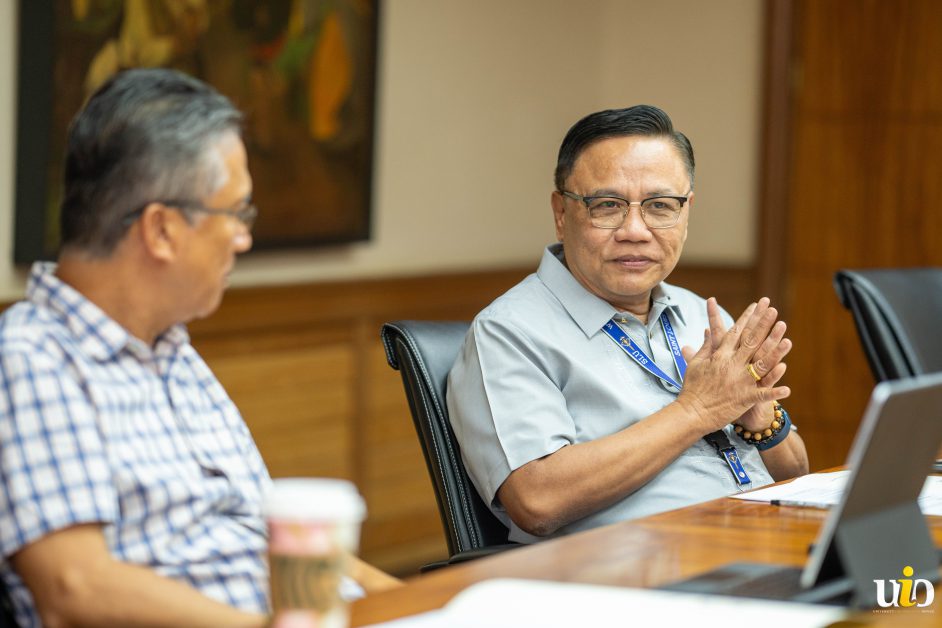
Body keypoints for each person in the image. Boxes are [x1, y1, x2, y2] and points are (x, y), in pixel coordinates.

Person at [0, 68, 397, 627]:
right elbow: (75, 587)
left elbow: (277, 538)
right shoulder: (33, 356)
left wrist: (423, 607)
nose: (244, 238)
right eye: (235, 213)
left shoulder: (171, 351)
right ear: (161, 230)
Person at [447, 105, 810, 544]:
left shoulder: (701, 315)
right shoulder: (509, 332)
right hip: (635, 575)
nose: (635, 230)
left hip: (760, 540)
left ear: (686, 211)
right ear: (562, 213)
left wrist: (762, 422)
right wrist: (696, 412)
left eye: (660, 206)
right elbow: (537, 502)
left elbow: (795, 474)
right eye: (608, 205)